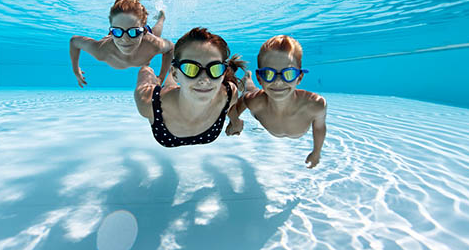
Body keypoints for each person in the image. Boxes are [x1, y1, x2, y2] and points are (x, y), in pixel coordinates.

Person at [226, 35, 327, 168]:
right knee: (249, 91)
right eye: (268, 74)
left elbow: (319, 127)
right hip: (258, 98)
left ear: (299, 77)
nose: (278, 81)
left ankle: (250, 78)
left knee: (254, 92)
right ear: (260, 78)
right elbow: (232, 106)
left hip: (262, 96)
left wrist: (317, 151)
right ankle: (248, 78)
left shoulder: (315, 105)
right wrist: (235, 122)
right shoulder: (255, 102)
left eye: (289, 74)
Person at [134, 28, 245, 147]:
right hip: (168, 93)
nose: (204, 80)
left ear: (223, 74)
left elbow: (229, 107)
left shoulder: (228, 93)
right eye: (190, 68)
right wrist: (154, 74)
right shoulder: (148, 102)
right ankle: (161, 72)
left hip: (179, 87)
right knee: (146, 69)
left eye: (215, 68)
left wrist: (235, 122)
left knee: (175, 86)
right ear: (175, 74)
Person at [69, 0, 173, 87]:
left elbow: (170, 48)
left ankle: (161, 17)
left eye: (133, 32)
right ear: (111, 32)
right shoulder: (101, 50)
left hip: (145, 42)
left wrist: (161, 78)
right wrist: (75, 70)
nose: (125, 39)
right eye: (117, 31)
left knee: (156, 33)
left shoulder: (153, 44)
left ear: (144, 31)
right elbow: (74, 41)